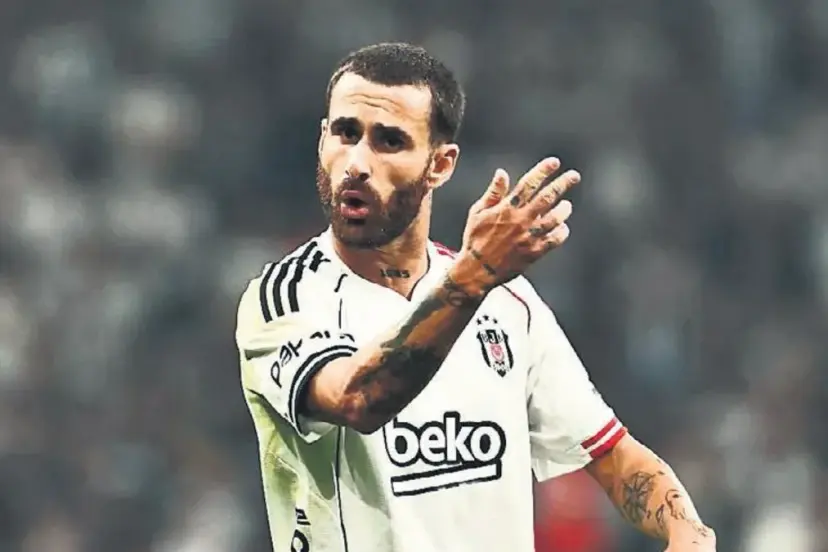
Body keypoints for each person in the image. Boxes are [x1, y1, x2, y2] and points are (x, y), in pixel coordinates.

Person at [235, 42, 715, 552]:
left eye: (389, 141)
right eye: (345, 133)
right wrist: (475, 275)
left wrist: (688, 531)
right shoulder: (285, 299)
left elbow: (612, 455)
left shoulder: (506, 304)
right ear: (321, 140)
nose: (356, 163)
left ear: (440, 165)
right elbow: (360, 399)